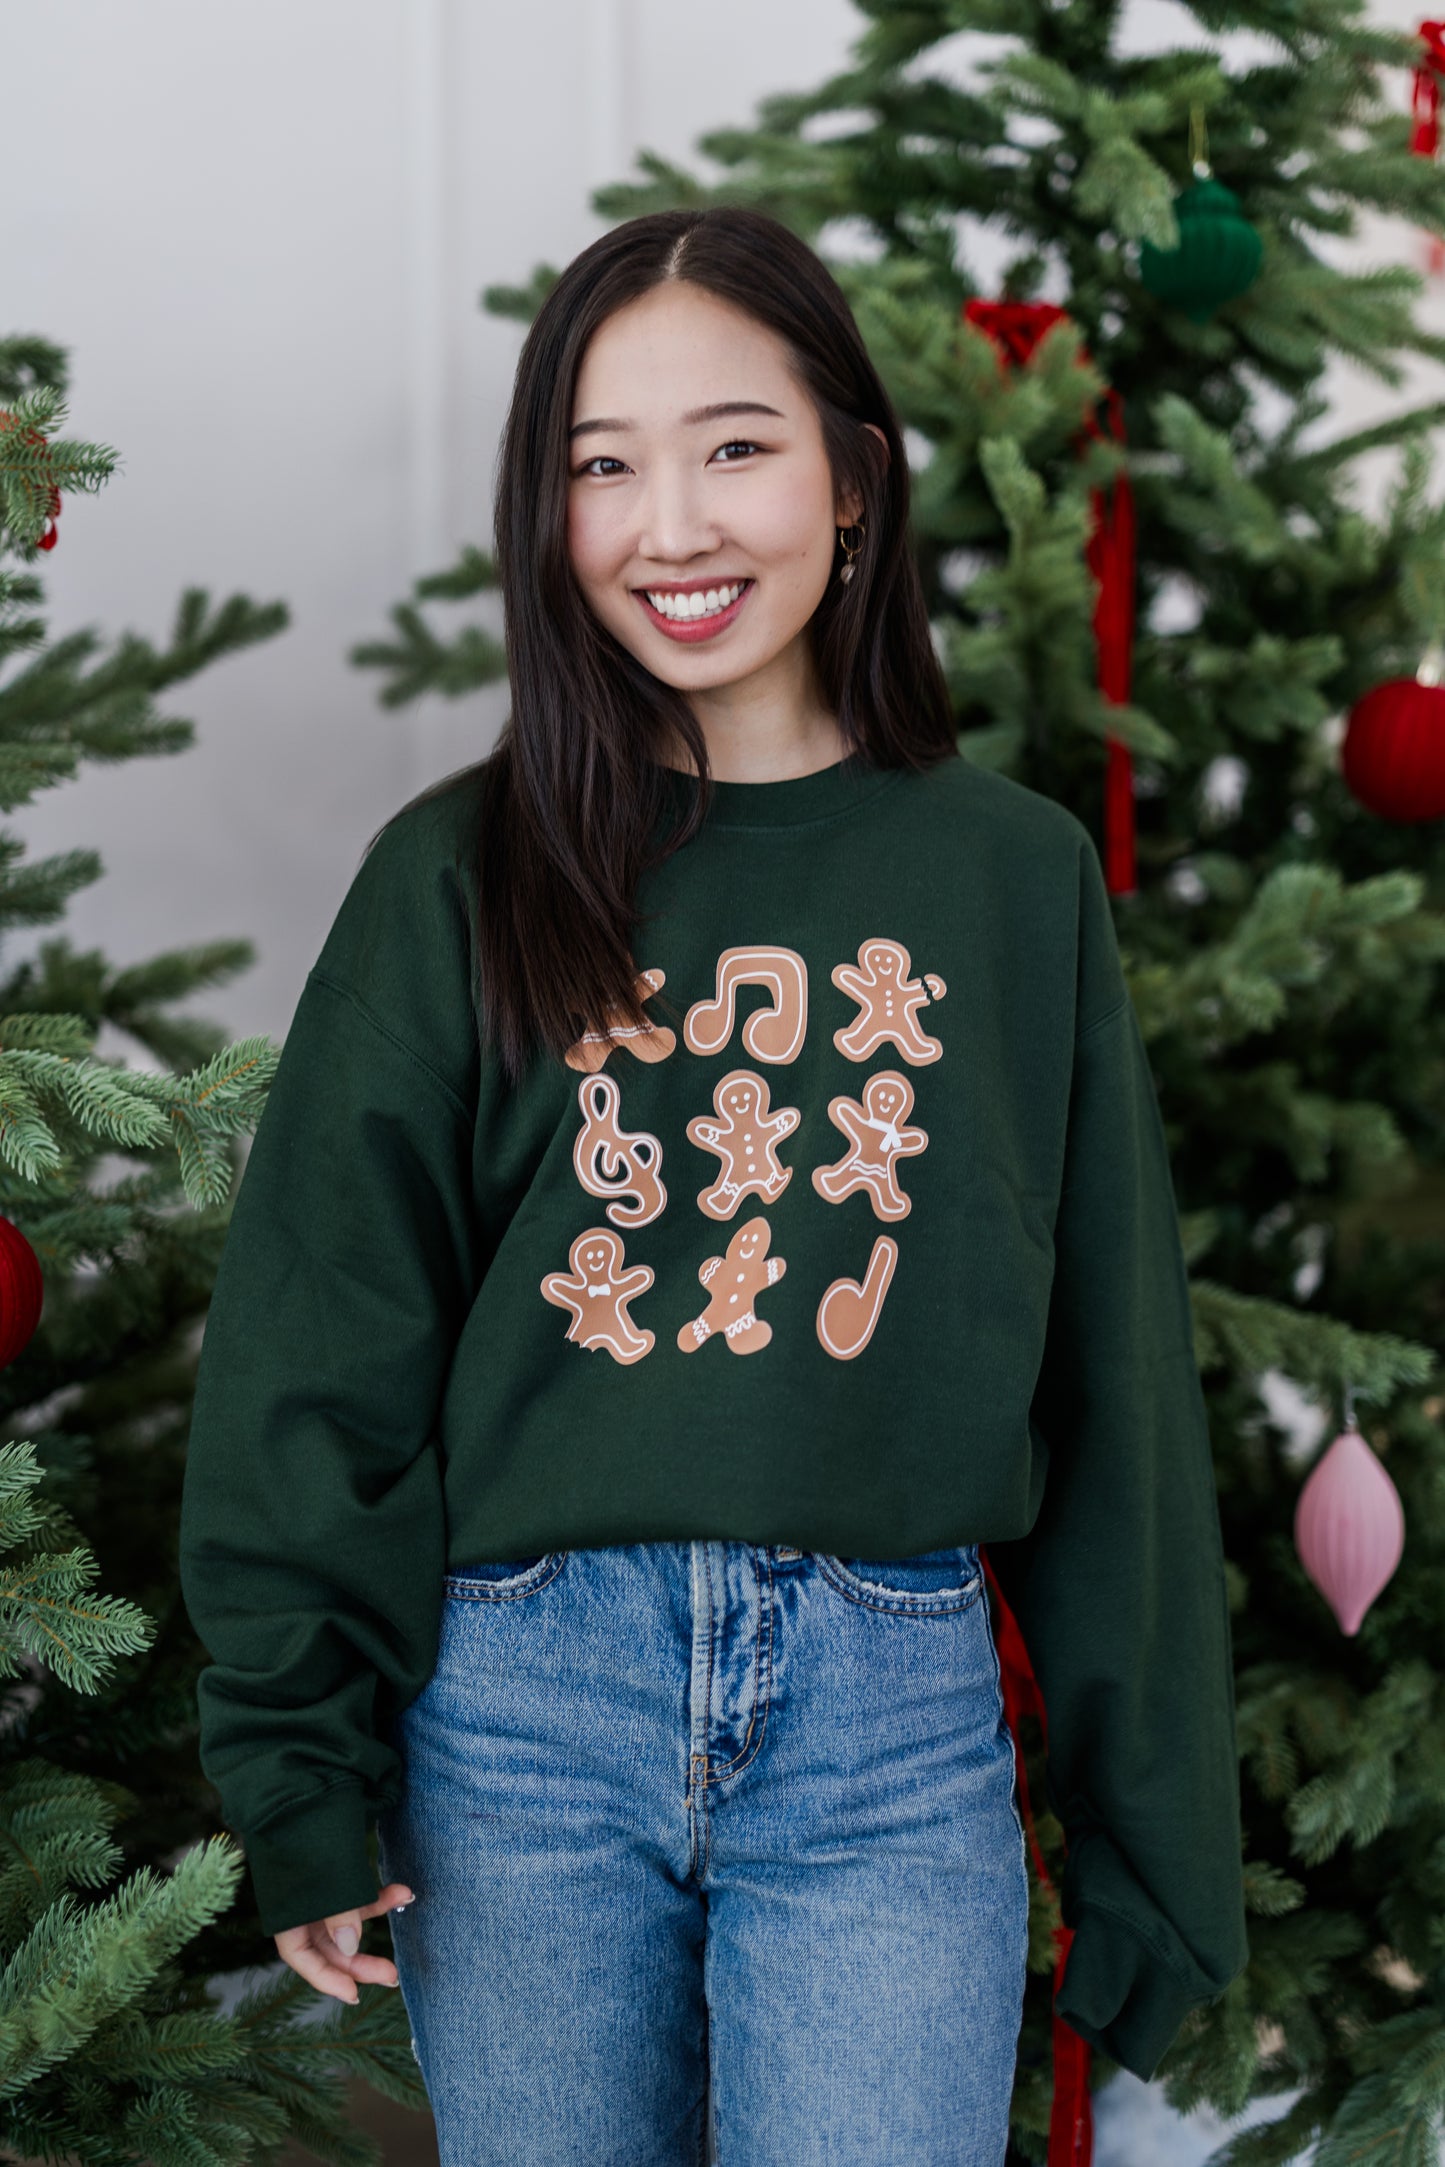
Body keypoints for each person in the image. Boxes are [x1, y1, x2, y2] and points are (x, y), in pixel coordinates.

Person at [178, 205, 1249, 2163]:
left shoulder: (1007, 881)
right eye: (603, 464)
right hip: (516, 1721)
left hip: (889, 1715)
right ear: (549, 516)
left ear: (854, 478)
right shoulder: (458, 876)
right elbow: (317, 1340)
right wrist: (299, 1763)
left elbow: (1114, 1389)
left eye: (734, 445)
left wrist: (1156, 1837)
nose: (671, 523)